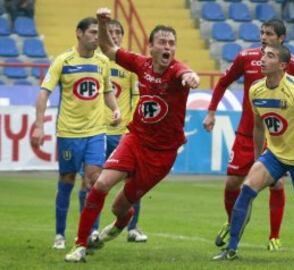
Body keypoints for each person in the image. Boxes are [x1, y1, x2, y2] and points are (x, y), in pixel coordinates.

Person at [64, 7, 200, 263]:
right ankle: (80, 245)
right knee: (101, 183)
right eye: (162, 42)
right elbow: (108, 50)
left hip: (161, 155)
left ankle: (115, 228)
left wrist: (191, 77)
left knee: (119, 208)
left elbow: (186, 73)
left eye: (171, 43)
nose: (167, 47)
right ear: (151, 47)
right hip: (135, 139)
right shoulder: (141, 64)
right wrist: (103, 24)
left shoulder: (177, 71)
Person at [213, 44, 294, 260]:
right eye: (263, 55)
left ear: (282, 65)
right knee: (246, 190)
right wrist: (258, 160)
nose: (262, 59)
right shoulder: (256, 89)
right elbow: (258, 126)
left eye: (270, 56)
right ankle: (231, 249)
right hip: (274, 155)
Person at [203, 19, 294, 251]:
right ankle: (232, 222)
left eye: (269, 34)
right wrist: (211, 112)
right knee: (232, 184)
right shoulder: (245, 58)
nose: (263, 37)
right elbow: (222, 83)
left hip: (277, 136)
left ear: (281, 39)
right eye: (261, 33)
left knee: (277, 183)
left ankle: (274, 236)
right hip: (247, 132)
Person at [30, 16, 120, 250]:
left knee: (93, 182)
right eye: (91, 32)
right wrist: (39, 126)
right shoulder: (63, 60)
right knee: (67, 180)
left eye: (97, 33)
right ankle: (60, 234)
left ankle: (90, 232)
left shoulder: (103, 61)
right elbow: (43, 94)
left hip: (96, 131)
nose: (95, 37)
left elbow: (107, 90)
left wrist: (116, 108)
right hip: (69, 133)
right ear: (78, 33)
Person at [78, 18, 147, 243]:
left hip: (123, 133)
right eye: (110, 32)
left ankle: (132, 228)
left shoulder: (130, 66)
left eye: (118, 32)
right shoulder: (95, 61)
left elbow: (138, 98)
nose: (115, 35)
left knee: (133, 181)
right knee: (91, 181)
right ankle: (92, 230)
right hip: (96, 130)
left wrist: (133, 125)